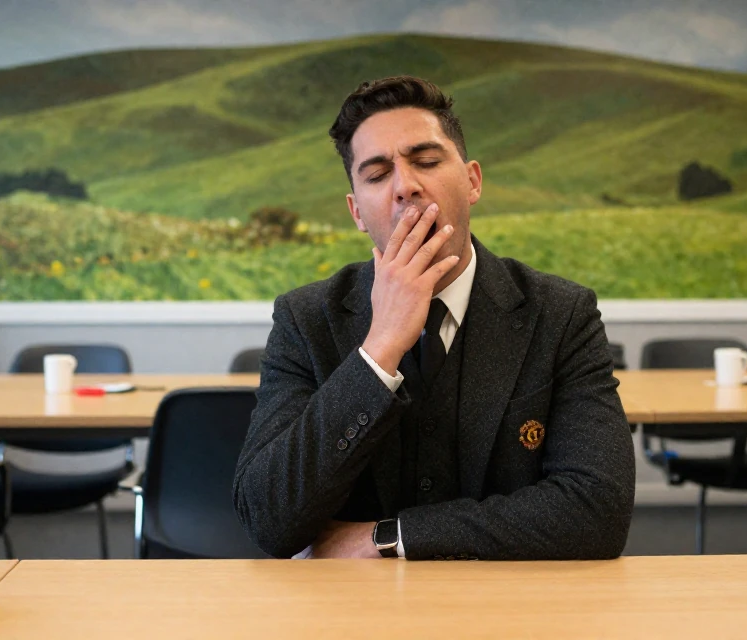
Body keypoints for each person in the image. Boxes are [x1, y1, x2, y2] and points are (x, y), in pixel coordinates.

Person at [233, 75, 634, 560]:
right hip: (349, 617)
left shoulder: (562, 314)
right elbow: (267, 517)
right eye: (378, 175)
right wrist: (379, 348)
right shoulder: (305, 318)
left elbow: (598, 511)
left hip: (513, 613)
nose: (406, 186)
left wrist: (392, 537)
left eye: (426, 161)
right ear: (357, 211)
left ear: (472, 181)